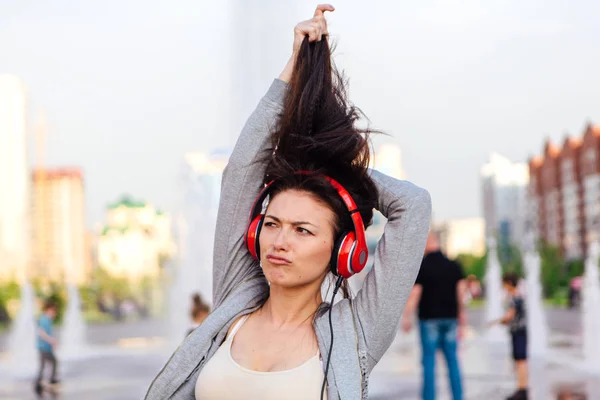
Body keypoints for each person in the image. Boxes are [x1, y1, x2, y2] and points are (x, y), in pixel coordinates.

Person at [145, 5, 431, 400]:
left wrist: (331, 165)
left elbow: (412, 205)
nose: (279, 241)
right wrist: (293, 66)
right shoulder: (235, 300)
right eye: (273, 223)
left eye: (303, 230)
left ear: (343, 249)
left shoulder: (356, 330)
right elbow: (242, 169)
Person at [401, 232, 466, 400]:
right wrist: (461, 316)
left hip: (429, 320)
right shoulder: (454, 265)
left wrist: (407, 317)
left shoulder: (422, 266)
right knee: (452, 361)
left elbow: (415, 294)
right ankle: (458, 397)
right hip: (451, 319)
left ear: (427, 242)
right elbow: (461, 293)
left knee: (429, 362)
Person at [489, 272, 528, 400]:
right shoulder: (519, 295)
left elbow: (510, 316)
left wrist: (497, 322)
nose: (503, 287)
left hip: (519, 332)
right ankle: (521, 388)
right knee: (519, 360)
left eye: (504, 284)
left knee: (520, 360)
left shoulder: (515, 297)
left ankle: (522, 389)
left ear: (510, 283)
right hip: (519, 331)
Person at [35, 299, 60, 393]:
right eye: (54, 311)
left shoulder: (46, 319)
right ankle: (51, 380)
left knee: (44, 365)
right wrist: (51, 340)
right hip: (43, 348)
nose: (55, 314)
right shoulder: (45, 319)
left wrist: (51, 342)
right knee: (53, 362)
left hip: (44, 347)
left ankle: (39, 383)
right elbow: (41, 333)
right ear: (49, 310)